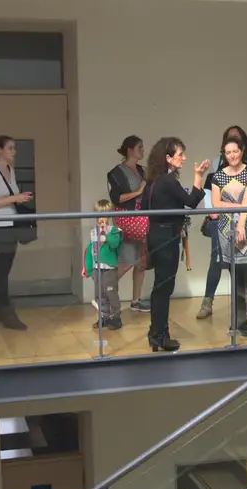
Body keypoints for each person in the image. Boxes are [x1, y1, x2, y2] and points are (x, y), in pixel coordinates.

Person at [142, 137, 210, 353]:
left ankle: (158, 334)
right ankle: (159, 334)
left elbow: (145, 207)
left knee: (160, 287)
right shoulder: (168, 181)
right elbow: (191, 202)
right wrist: (199, 177)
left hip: (156, 235)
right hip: (166, 237)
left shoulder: (153, 182)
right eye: (180, 154)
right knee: (164, 288)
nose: (184, 158)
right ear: (168, 158)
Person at [197, 125, 247, 321]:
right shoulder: (217, 166)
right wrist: (214, 211)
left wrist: (245, 209)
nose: (232, 154)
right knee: (217, 260)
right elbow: (212, 195)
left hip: (246, 220)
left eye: (236, 142)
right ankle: (208, 301)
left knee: (243, 266)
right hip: (221, 221)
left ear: (242, 147)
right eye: (228, 147)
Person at [210, 136, 247, 338]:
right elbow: (216, 205)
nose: (232, 155)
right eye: (228, 152)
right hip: (225, 228)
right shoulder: (217, 176)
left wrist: (242, 223)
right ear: (224, 154)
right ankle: (240, 321)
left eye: (235, 151)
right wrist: (241, 207)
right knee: (235, 276)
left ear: (242, 151)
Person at [0, 135, 33, 331]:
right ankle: (6, 312)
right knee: (2, 271)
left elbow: (10, 197)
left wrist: (18, 199)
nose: (14, 151)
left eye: (14, 148)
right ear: (0, 150)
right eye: (10, 148)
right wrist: (14, 197)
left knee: (4, 270)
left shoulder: (10, 170)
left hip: (10, 224)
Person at [106, 136, 151, 314]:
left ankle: (136, 300)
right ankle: (105, 291)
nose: (142, 150)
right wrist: (138, 192)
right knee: (126, 261)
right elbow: (116, 198)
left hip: (143, 218)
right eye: (140, 147)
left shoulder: (143, 170)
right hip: (128, 218)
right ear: (130, 150)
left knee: (141, 260)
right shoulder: (116, 173)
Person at [82, 198, 123, 331]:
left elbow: (115, 244)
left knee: (111, 293)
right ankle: (103, 317)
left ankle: (116, 317)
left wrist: (106, 233)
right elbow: (90, 251)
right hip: (97, 269)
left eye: (104, 215)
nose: (101, 219)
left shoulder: (114, 230)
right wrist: (87, 268)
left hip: (109, 269)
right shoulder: (93, 232)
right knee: (100, 294)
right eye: (98, 215)